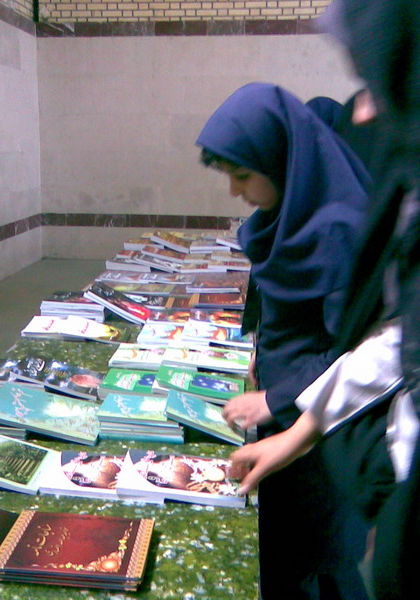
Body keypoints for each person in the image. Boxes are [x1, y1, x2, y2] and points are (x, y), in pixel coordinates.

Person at [229, 2, 420, 598]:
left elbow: (351, 338)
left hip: (345, 462)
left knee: (324, 556)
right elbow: (393, 343)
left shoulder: (339, 228)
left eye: (379, 87)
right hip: (345, 445)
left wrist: (289, 406)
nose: (362, 112)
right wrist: (301, 424)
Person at [196, 82, 371, 600]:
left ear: (281, 161)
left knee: (315, 554)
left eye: (242, 175)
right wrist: (260, 351)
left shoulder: (338, 230)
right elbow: (282, 306)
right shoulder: (285, 216)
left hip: (323, 428)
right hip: (285, 405)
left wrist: (277, 397)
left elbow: (356, 351)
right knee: (284, 543)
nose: (235, 191)